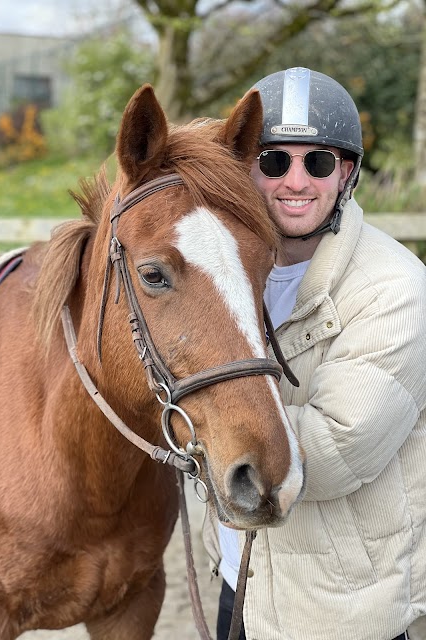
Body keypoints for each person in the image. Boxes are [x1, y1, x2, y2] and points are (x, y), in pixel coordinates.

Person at [203, 67, 426, 640]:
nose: (294, 181)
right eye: (273, 160)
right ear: (246, 169)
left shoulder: (395, 287)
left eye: (318, 162)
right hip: (242, 580)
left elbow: (336, 449)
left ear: (346, 172)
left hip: (340, 607)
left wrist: (198, 418)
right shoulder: (223, 273)